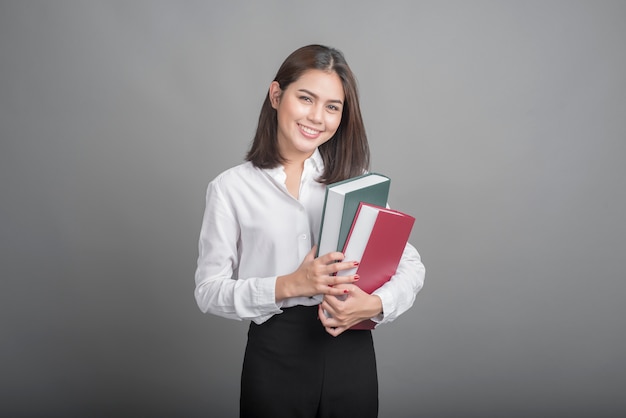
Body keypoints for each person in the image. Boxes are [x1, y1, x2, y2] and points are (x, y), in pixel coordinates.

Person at [194, 44, 425, 418]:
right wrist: (292, 284)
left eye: (332, 107)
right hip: (275, 355)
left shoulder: (356, 182)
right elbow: (208, 291)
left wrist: (375, 305)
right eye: (306, 98)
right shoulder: (230, 188)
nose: (317, 117)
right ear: (276, 95)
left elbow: (411, 265)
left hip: (350, 346)